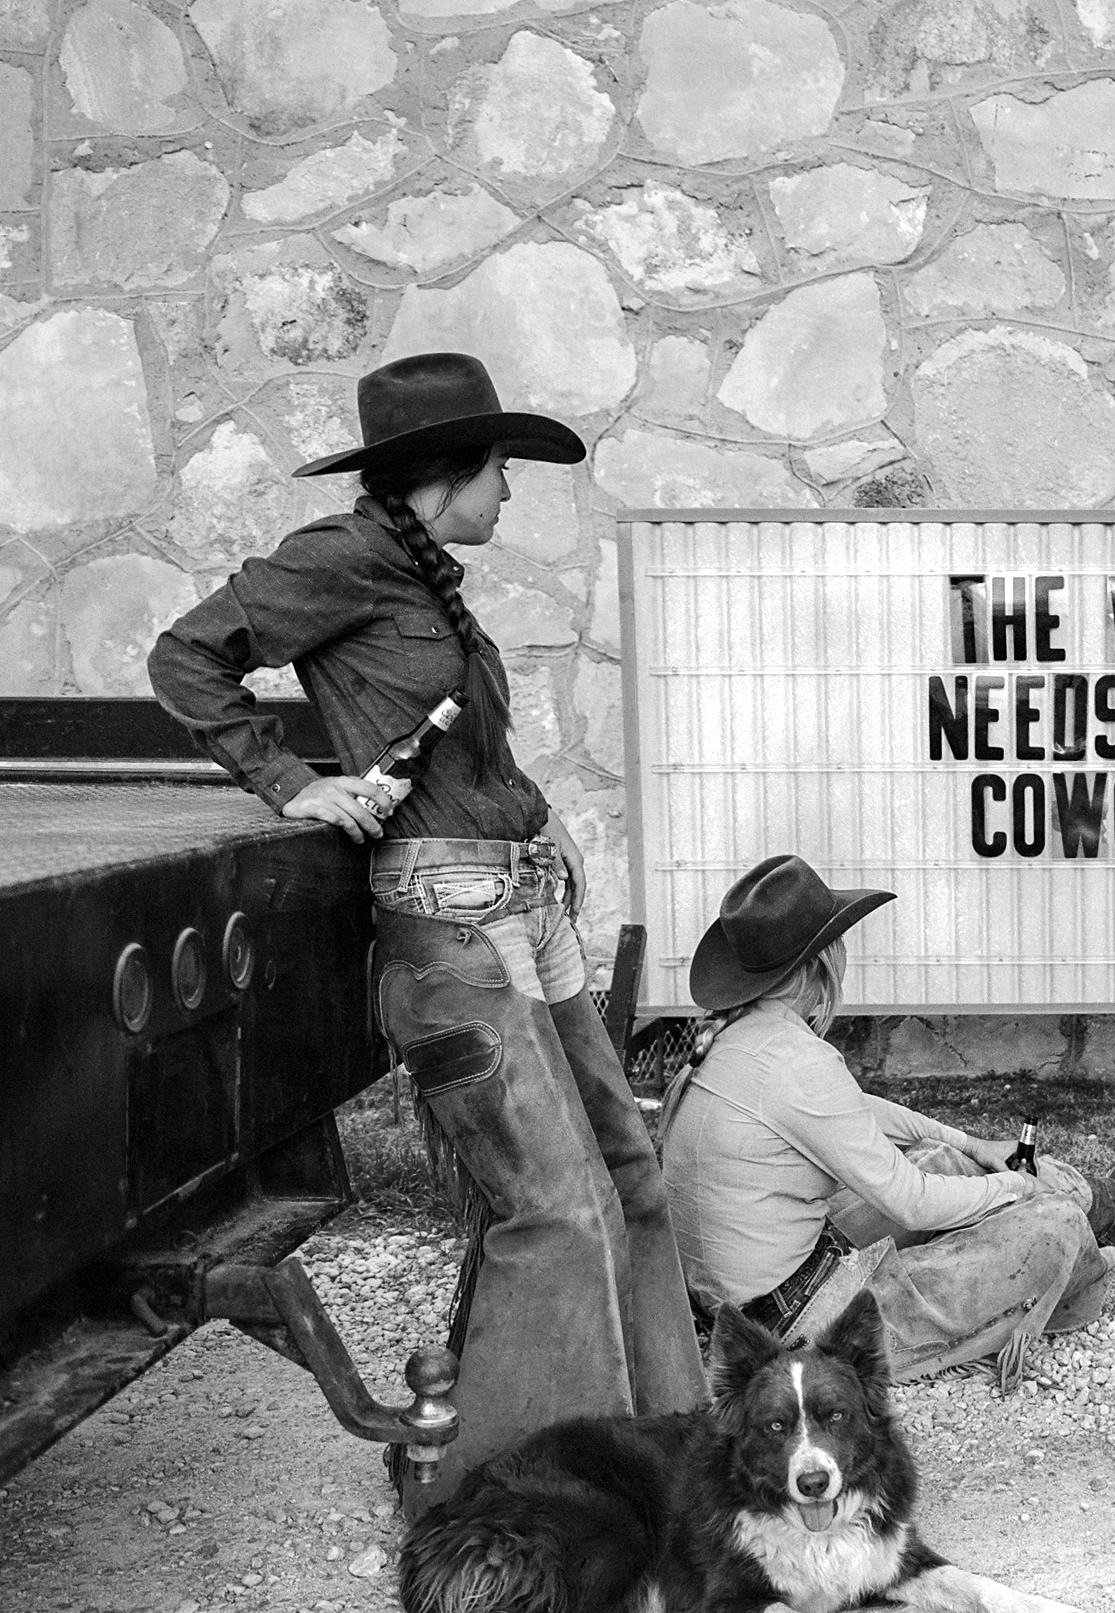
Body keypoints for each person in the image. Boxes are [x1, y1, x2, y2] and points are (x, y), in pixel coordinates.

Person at [148, 353, 709, 1504]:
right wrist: (290, 782)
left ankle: (677, 1443)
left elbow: (469, 757)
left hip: (520, 899)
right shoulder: (343, 559)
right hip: (451, 923)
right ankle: (515, 1489)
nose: (509, 495)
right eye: (500, 472)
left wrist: (545, 824)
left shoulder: (424, 575)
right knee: (553, 1210)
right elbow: (184, 656)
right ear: (446, 473)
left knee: (630, 1175)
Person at [660, 854, 1115, 1387]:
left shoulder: (736, 1041)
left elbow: (855, 1109)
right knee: (1052, 1225)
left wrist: (969, 1141)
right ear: (820, 961)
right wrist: (1014, 1186)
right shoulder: (796, 1061)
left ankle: (1094, 1201)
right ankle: (1083, 1221)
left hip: (755, 1305)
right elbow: (909, 1200)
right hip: (805, 1331)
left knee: (946, 1158)